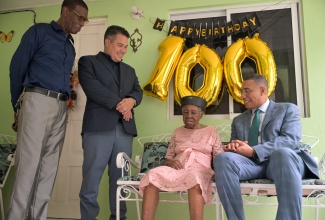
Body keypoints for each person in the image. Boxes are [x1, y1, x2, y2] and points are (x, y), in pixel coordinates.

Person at [7, 0, 89, 219]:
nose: (82, 23)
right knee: (28, 167)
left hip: (61, 107)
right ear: (65, 11)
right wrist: (18, 104)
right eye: (79, 17)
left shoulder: (71, 47)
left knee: (48, 170)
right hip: (36, 100)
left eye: (85, 20)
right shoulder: (38, 32)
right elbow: (17, 67)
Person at [213, 74, 319, 220]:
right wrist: (235, 147)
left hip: (283, 164)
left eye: (247, 91)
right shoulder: (238, 120)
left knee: (282, 153)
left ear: (262, 90)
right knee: (223, 159)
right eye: (242, 91)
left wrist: (254, 151)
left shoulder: (288, 109)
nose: (242, 95)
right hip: (252, 166)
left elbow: (290, 139)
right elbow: (236, 148)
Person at [78, 25, 143, 220]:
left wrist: (132, 101)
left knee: (121, 181)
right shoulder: (87, 62)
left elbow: (138, 91)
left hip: (124, 130)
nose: (123, 50)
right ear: (108, 42)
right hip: (97, 128)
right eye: (120, 45)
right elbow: (92, 88)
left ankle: (119, 218)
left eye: (125, 47)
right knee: (92, 178)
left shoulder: (130, 70)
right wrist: (121, 104)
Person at [139, 96, 223, 220]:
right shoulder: (177, 131)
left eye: (193, 112)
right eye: (185, 112)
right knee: (152, 175)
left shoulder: (211, 131)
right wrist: (170, 162)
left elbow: (219, 156)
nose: (189, 115)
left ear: (202, 114)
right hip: (178, 168)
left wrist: (219, 172)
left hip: (200, 169)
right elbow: (168, 157)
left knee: (195, 178)